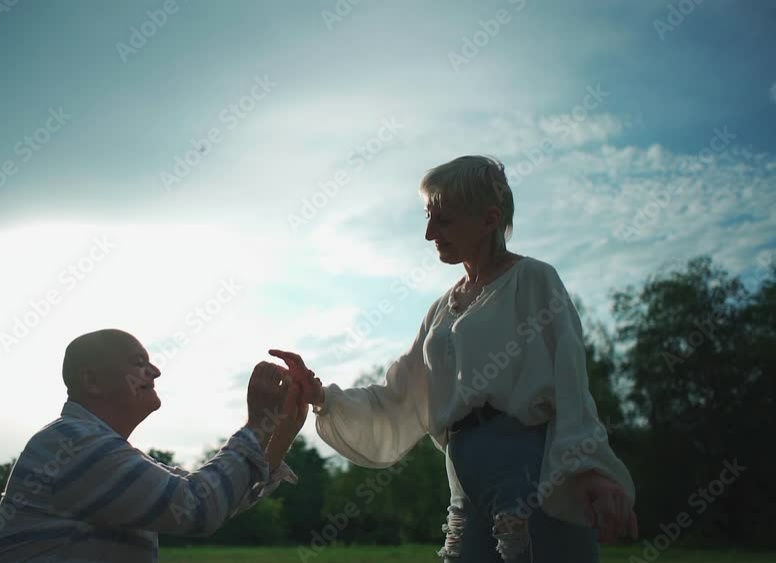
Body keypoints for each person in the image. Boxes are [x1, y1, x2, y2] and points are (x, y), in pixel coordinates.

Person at [271, 155, 638, 562]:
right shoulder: (442, 309)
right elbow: (399, 397)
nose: (429, 233)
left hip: (528, 473)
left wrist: (589, 470)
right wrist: (323, 396)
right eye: (429, 219)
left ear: (489, 219)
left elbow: (571, 382)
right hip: (465, 483)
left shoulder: (532, 279)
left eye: (443, 220)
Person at [0, 328, 305, 562]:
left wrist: (279, 431)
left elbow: (218, 498)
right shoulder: (74, 444)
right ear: (93, 381)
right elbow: (197, 506)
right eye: (139, 362)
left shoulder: (89, 446)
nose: (155, 371)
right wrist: (256, 424)